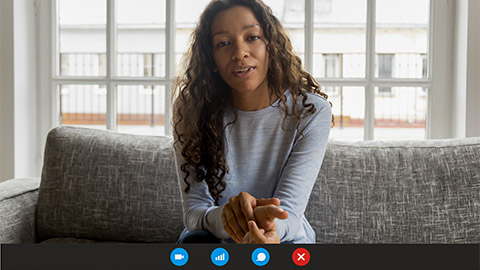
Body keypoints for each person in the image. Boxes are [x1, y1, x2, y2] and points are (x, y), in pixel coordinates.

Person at [172, 0, 334, 244]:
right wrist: (228, 218)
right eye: (223, 43)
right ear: (211, 59)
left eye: (253, 37)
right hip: (214, 238)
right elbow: (194, 213)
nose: (240, 53)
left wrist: (267, 228)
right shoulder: (192, 110)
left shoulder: (310, 112)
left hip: (283, 238)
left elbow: (290, 211)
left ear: (272, 46)